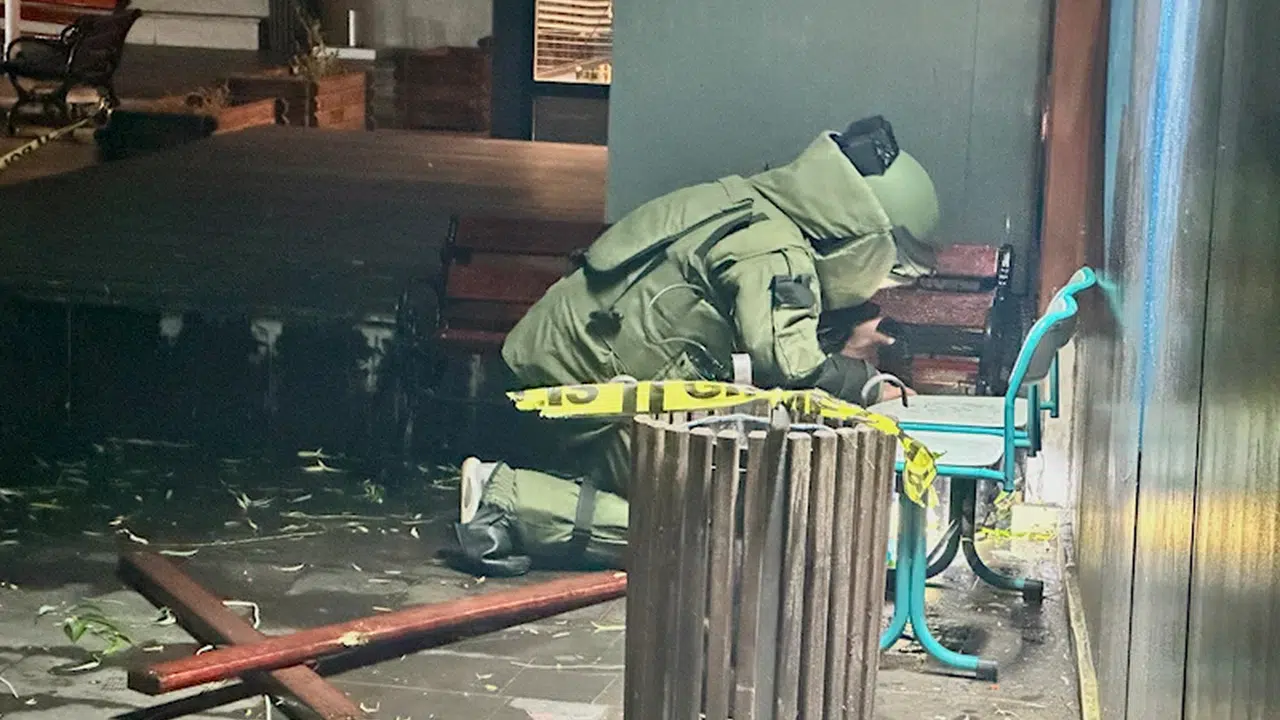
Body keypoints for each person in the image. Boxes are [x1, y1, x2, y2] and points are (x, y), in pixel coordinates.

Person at [442, 115, 942, 577]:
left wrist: (841, 331)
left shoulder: (742, 200)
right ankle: (507, 500)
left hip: (552, 365)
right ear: (866, 243)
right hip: (581, 401)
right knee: (721, 528)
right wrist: (867, 385)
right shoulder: (778, 251)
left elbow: (744, 310)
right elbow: (788, 366)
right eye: (891, 274)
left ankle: (545, 494)